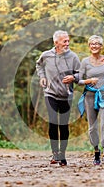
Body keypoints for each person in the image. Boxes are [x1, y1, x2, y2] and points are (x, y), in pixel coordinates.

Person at [36, 30, 80, 166]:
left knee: (63, 125)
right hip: (50, 93)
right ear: (56, 43)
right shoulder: (46, 55)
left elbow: (81, 73)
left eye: (68, 40)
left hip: (66, 95)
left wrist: (73, 77)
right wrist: (42, 77)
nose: (68, 43)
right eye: (64, 41)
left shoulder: (73, 57)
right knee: (53, 121)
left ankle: (63, 154)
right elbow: (39, 65)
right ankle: (55, 153)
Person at [78, 35, 104, 165]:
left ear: (101, 46)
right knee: (92, 126)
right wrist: (89, 81)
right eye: (92, 44)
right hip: (90, 95)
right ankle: (96, 152)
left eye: (97, 44)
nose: (94, 46)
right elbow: (79, 81)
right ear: (89, 46)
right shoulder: (85, 62)